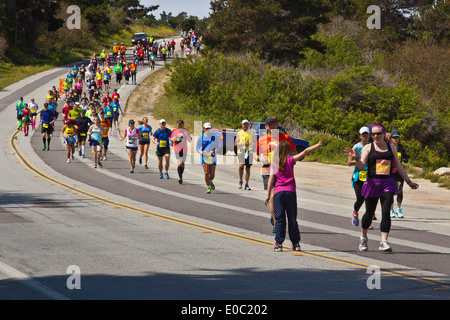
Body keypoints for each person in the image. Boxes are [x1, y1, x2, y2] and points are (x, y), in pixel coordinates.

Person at [345, 124, 419, 252]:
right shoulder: (368, 148)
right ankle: (363, 237)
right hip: (372, 183)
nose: (375, 136)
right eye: (373, 134)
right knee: (369, 212)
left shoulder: (391, 148)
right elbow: (362, 165)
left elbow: (399, 166)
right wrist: (355, 158)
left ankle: (384, 241)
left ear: (384, 134)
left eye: (378, 133)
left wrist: (408, 181)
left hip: (388, 183)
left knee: (386, 212)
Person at [265, 139, 323, 252]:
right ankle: (295, 243)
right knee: (292, 219)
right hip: (290, 192)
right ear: (287, 151)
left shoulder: (274, 163)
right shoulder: (290, 161)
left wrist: (268, 195)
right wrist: (318, 145)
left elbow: (271, 179)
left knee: (280, 219)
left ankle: (278, 243)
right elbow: (305, 151)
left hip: (278, 194)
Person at [255, 116, 296, 231]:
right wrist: (259, 159)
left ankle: (275, 217)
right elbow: (256, 154)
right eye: (270, 124)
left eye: (274, 124)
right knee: (272, 197)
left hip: (283, 172)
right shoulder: (262, 140)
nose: (273, 126)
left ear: (277, 125)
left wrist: (287, 158)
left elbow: (294, 151)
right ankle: (276, 223)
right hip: (268, 170)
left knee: (279, 198)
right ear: (266, 126)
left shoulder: (285, 137)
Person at [348, 126, 370, 226]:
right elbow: (349, 162)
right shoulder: (356, 147)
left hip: (369, 176)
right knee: (360, 198)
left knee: (369, 199)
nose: (365, 136)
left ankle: (367, 220)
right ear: (360, 135)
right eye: (363, 134)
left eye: (366, 134)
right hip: (358, 176)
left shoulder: (372, 146)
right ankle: (355, 212)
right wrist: (359, 160)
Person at [389, 129, 409, 218]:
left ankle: (398, 209)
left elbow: (405, 157)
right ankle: (391, 210)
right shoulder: (388, 147)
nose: (396, 140)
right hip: (391, 172)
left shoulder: (401, 148)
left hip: (399, 172)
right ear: (391, 138)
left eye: (397, 138)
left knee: (400, 190)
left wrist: (405, 159)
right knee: (391, 192)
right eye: (394, 138)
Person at [196, 122, 220, 194]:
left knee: (212, 175)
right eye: (206, 129)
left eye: (209, 128)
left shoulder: (214, 137)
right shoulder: (201, 137)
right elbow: (197, 148)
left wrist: (214, 151)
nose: (208, 130)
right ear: (204, 129)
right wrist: (201, 152)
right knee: (206, 172)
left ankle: (210, 181)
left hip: (212, 157)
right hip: (204, 157)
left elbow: (218, 147)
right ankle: (208, 187)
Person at [170, 119, 192, 184]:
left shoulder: (186, 131)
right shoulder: (174, 131)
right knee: (179, 163)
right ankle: (180, 177)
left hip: (184, 149)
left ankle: (181, 176)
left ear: (183, 125)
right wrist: (172, 141)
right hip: (177, 149)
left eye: (180, 126)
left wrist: (186, 135)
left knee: (182, 164)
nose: (179, 127)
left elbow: (190, 140)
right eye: (178, 126)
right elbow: (171, 139)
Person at [235, 119, 255, 190]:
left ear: (248, 125)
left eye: (247, 124)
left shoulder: (252, 133)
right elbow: (235, 144)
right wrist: (243, 144)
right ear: (242, 125)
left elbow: (255, 142)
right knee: (241, 165)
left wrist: (250, 144)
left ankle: (246, 184)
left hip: (249, 151)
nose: (245, 125)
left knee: (248, 168)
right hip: (241, 151)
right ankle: (240, 180)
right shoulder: (239, 133)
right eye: (244, 124)